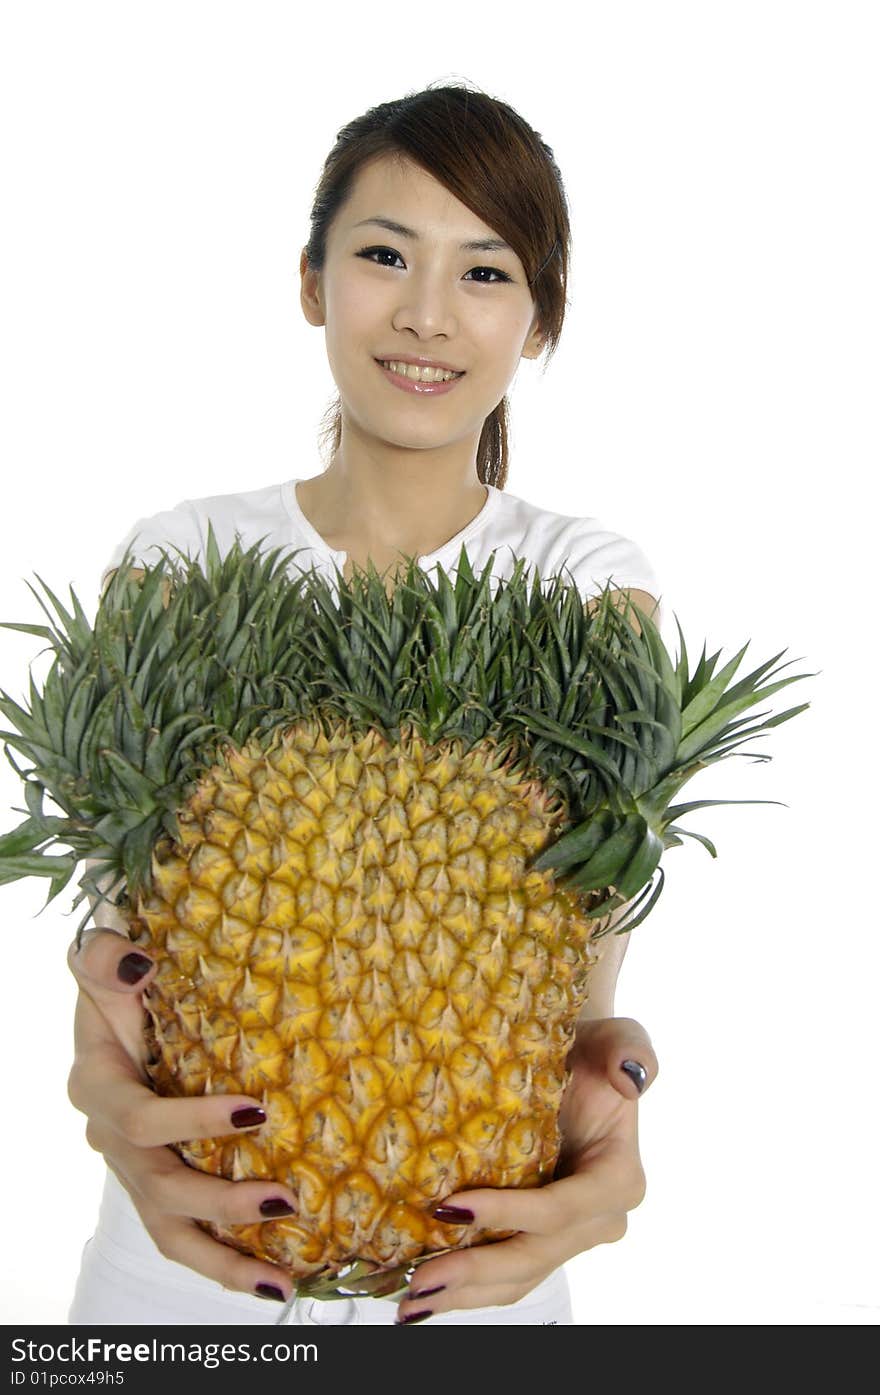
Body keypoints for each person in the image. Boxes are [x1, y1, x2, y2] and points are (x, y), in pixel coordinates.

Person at [66, 80, 662, 1327]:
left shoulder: (585, 592)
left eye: (487, 273)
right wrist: (98, 1076)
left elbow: (583, 973)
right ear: (310, 281)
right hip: (186, 1258)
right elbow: (123, 943)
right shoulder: (183, 564)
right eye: (385, 254)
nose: (429, 315)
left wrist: (597, 1110)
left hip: (476, 1262)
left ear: (541, 320)